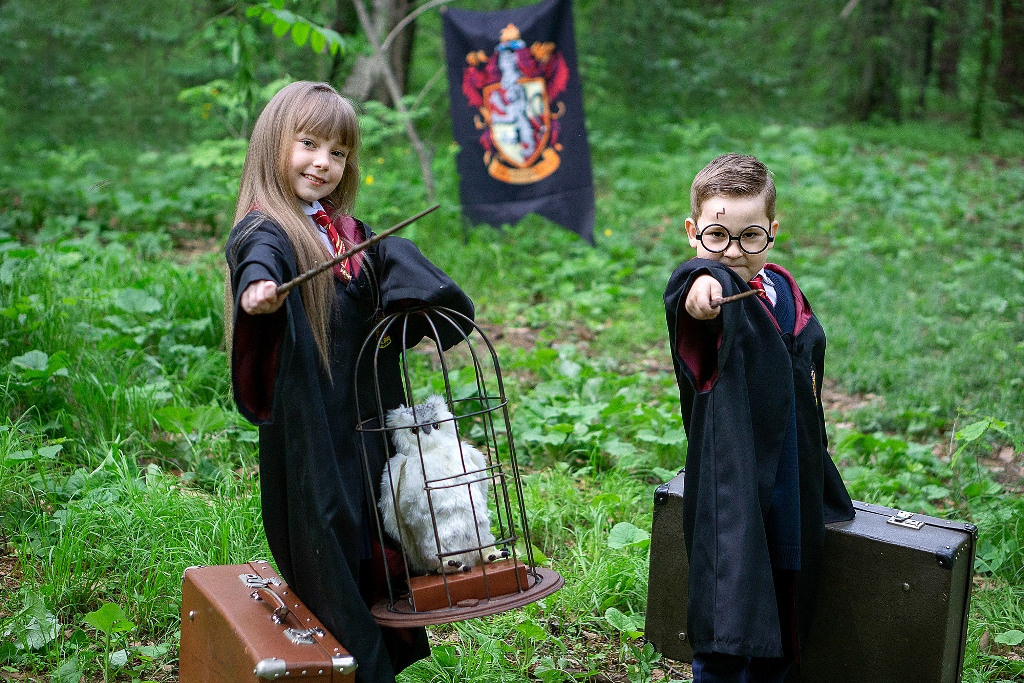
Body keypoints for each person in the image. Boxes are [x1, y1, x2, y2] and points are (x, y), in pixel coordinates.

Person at [224, 81, 474, 683]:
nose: (323, 163)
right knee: (331, 544)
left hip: (365, 426)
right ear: (272, 146)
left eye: (337, 152)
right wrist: (258, 290)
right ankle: (359, 669)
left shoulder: (343, 232)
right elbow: (256, 256)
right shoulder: (270, 230)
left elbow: (379, 266)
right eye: (308, 144)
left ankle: (377, 656)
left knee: (377, 537)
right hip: (314, 435)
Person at [663, 153, 855, 683]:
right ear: (692, 231)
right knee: (730, 615)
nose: (733, 252)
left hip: (791, 483)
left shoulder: (786, 292)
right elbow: (693, 293)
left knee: (785, 611)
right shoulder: (709, 289)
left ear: (771, 232)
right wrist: (702, 286)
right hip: (734, 489)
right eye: (716, 235)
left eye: (750, 237)